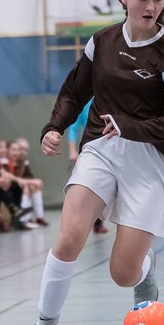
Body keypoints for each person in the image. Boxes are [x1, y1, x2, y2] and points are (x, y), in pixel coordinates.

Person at [24, 0, 164, 325]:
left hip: (149, 158)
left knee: (122, 274)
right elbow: (74, 91)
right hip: (101, 149)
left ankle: (145, 269)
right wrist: (53, 127)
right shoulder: (101, 42)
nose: (150, 7)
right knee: (69, 238)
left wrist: (129, 127)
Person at [66, 100, 108, 235]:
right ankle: (90, 222)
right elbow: (73, 128)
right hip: (89, 149)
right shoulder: (85, 104)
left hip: (109, 148)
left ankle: (99, 221)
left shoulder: (111, 98)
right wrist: (72, 150)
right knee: (89, 185)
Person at [8, 137, 48, 227]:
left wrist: (32, 182)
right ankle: (23, 219)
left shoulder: (24, 162)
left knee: (33, 187)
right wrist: (31, 182)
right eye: (20, 149)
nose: (23, 152)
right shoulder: (10, 162)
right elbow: (13, 177)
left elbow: (29, 176)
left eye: (25, 150)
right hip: (14, 187)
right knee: (29, 187)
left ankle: (38, 217)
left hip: (21, 185)